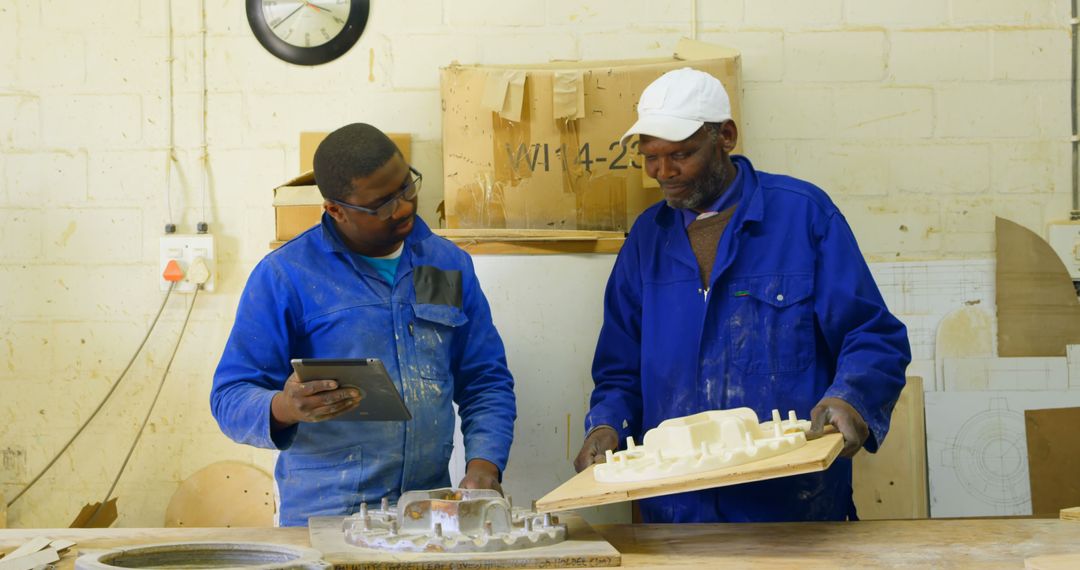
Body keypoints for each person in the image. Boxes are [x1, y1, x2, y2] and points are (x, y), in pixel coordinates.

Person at [573, 68, 911, 523]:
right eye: (650, 156)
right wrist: (608, 424)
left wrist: (851, 398)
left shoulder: (803, 216)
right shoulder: (645, 243)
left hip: (792, 511)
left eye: (681, 154)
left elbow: (873, 335)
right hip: (674, 517)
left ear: (726, 137)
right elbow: (619, 370)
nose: (663, 172)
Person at [211, 123, 516, 527]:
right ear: (335, 210)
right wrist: (284, 407)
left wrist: (484, 465)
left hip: (427, 518)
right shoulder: (287, 277)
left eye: (407, 187)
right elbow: (229, 396)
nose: (405, 207)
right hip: (325, 520)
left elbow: (485, 380)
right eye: (382, 204)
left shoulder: (443, 265)